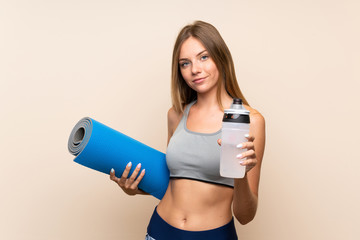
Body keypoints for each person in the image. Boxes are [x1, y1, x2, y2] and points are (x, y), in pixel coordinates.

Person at [109, 20, 266, 240]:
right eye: (185, 63)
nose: (195, 69)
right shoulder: (176, 115)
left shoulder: (251, 121)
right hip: (159, 231)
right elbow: (173, 182)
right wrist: (135, 188)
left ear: (220, 57)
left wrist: (240, 173)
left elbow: (245, 215)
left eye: (204, 57)